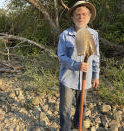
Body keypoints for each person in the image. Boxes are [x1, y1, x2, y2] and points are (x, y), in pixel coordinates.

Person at [57, 1, 100, 131]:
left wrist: (96, 75)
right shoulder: (65, 35)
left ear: (89, 16)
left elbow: (96, 56)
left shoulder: (94, 34)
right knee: (65, 108)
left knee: (82, 105)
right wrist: (76, 65)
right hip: (68, 77)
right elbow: (61, 56)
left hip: (85, 78)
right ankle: (65, 128)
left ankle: (77, 124)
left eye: (84, 14)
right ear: (73, 17)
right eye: (77, 14)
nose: (81, 17)